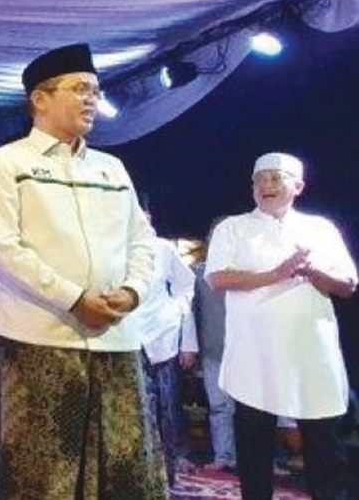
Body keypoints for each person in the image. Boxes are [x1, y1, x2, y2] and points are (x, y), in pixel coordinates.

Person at [0, 45, 164, 500]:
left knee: (125, 466)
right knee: (43, 472)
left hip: (116, 338)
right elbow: (5, 249)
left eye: (95, 91)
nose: (92, 99)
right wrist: (75, 299)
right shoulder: (5, 164)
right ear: (40, 99)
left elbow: (142, 241)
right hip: (41, 340)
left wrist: (132, 292)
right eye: (79, 89)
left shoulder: (112, 168)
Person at [205, 152, 356, 500]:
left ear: (298, 186)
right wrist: (277, 273)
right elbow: (217, 278)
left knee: (325, 447)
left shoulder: (321, 228)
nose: (267, 185)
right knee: (254, 446)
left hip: (311, 354)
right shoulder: (233, 228)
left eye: (276, 178)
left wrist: (312, 271)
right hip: (255, 354)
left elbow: (348, 285)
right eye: (260, 179)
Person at [128, 233, 196, 485]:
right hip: (121, 340)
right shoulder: (109, 242)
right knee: (128, 414)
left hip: (159, 341)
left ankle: (163, 478)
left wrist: (174, 312)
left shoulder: (163, 248)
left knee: (164, 413)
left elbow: (185, 285)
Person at [188, 232, 237, 471]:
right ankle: (224, 456)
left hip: (248, 351)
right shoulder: (198, 274)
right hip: (213, 351)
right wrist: (191, 347)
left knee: (254, 410)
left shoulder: (251, 273)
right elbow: (191, 312)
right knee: (219, 407)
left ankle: (258, 458)